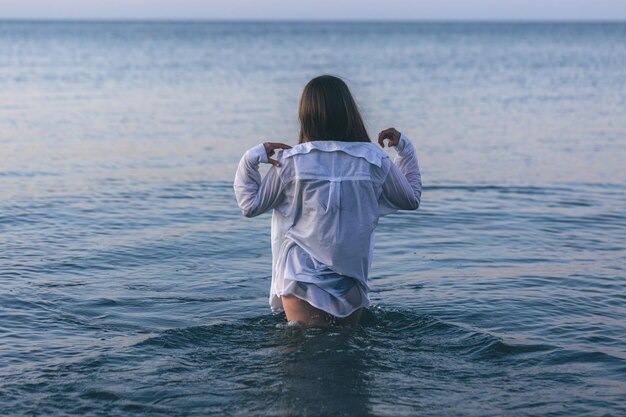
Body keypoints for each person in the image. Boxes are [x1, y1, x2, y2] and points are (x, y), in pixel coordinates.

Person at [233, 75, 422, 327]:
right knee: (345, 358)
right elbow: (411, 199)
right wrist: (405, 149)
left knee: (301, 355)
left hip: (299, 278)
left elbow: (250, 205)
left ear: (305, 115)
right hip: (350, 280)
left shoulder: (290, 161)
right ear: (349, 111)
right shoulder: (374, 159)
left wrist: (252, 157)